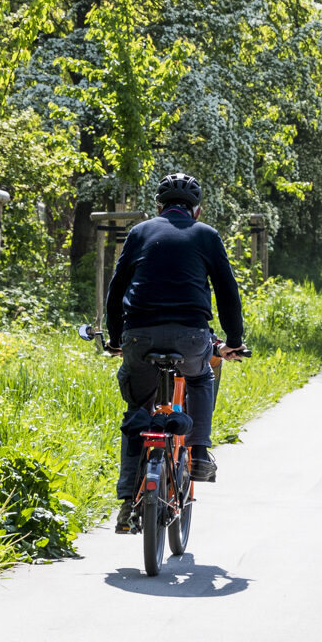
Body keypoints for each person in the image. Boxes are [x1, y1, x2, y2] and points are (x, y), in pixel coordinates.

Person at [104, 173, 245, 531]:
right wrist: (234, 340)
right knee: (201, 377)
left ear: (158, 207)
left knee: (138, 410)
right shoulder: (207, 235)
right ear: (197, 210)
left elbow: (116, 288)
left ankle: (125, 504)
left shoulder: (139, 233)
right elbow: (227, 291)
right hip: (191, 338)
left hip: (140, 338)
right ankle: (198, 454)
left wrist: (118, 338)